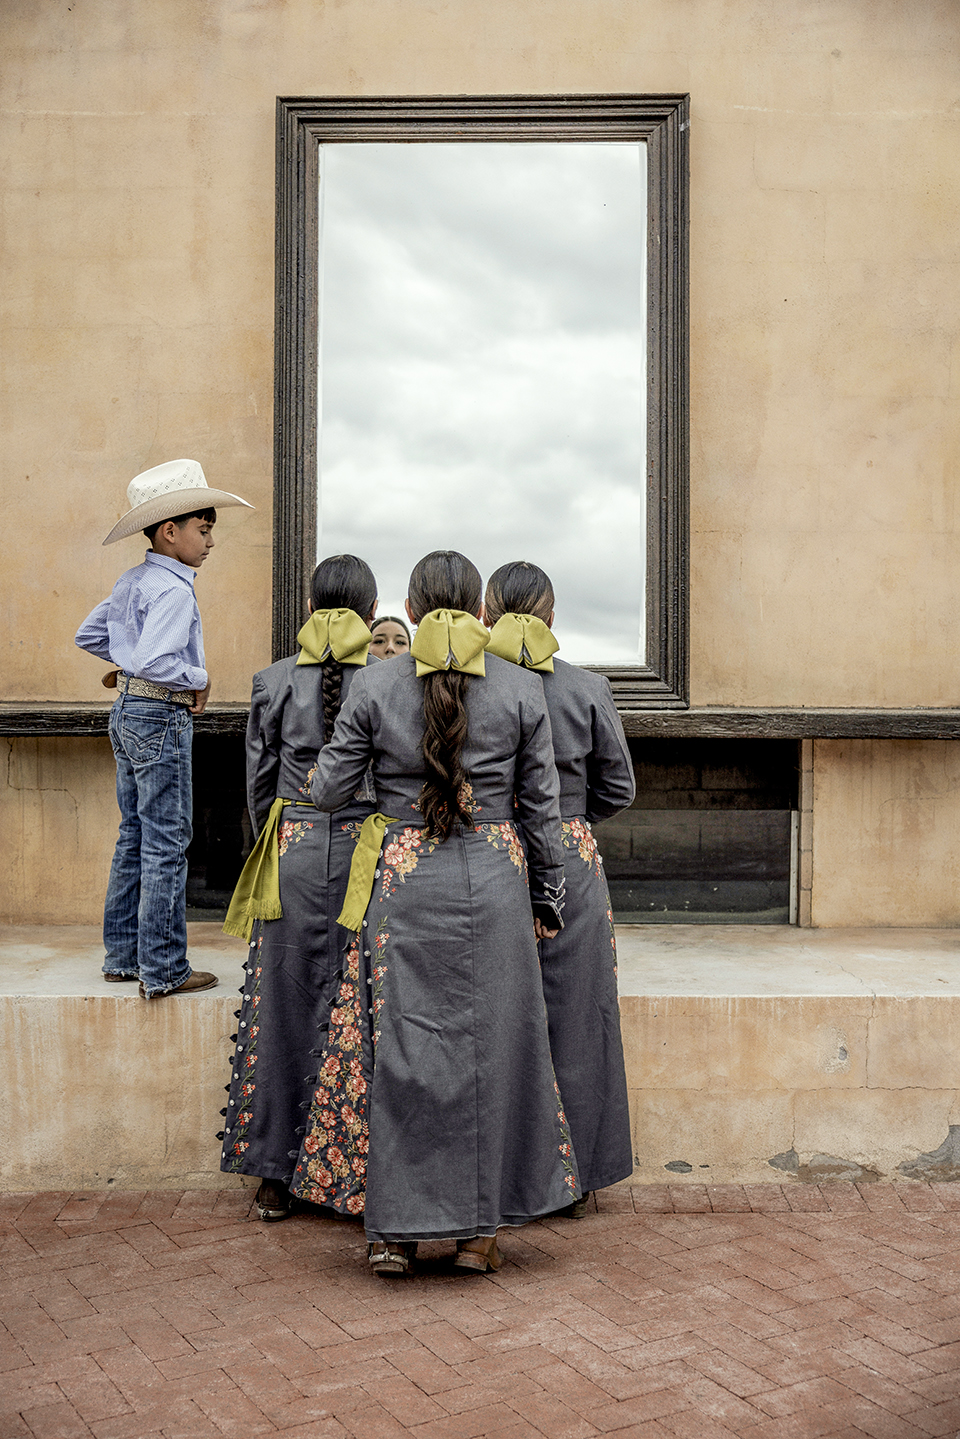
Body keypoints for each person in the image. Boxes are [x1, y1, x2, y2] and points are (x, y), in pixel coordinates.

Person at [290, 550, 577, 1276]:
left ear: (411, 611)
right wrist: (548, 895)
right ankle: (480, 1237)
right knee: (494, 1052)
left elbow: (326, 792)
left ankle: (393, 1233)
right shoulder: (521, 688)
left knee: (401, 1050)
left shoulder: (373, 684)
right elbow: (542, 812)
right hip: (497, 880)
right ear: (480, 612)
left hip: (404, 883)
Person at [219, 555, 380, 1222]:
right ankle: (352, 1173)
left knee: (280, 1007)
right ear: (372, 614)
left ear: (309, 607)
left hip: (292, 850)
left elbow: (259, 787)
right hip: (368, 856)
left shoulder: (273, 680)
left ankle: (274, 1176)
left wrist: (284, 834)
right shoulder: (388, 681)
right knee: (360, 1011)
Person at [484, 560, 636, 1212]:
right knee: (577, 1016)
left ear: (486, 615)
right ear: (551, 616)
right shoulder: (587, 688)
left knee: (497, 1018)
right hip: (570, 857)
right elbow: (619, 786)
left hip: (493, 853)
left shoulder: (474, 686)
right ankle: (577, 1180)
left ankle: (506, 1177)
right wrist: (569, 820)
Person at [75, 458, 254, 1000]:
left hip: (127, 713)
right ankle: (164, 968)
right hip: (158, 716)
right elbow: (157, 660)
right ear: (170, 531)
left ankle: (122, 957)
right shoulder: (175, 590)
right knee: (167, 842)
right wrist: (199, 677)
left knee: (134, 834)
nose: (211, 541)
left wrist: (126, 666)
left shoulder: (133, 580)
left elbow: (90, 635)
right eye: (204, 529)